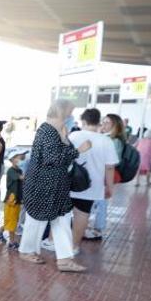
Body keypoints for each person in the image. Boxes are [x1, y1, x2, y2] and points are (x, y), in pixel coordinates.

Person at [18, 99, 91, 272]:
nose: (70, 116)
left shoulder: (56, 130)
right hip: (44, 187)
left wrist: (66, 139)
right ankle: (27, 251)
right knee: (37, 220)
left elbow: (60, 155)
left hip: (55, 187)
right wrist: (78, 150)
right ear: (62, 112)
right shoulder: (49, 131)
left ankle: (65, 259)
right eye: (69, 112)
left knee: (62, 220)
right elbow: (53, 159)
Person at [68, 108, 118, 253]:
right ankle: (74, 247)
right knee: (82, 214)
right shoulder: (106, 140)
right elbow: (110, 167)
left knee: (63, 215)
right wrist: (109, 187)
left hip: (69, 182)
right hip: (91, 185)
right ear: (98, 122)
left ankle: (58, 243)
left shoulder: (74, 135)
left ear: (83, 121)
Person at [85, 113, 126, 241]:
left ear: (115, 125)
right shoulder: (104, 137)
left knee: (100, 202)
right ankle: (93, 228)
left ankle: (97, 229)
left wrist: (109, 185)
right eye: (103, 122)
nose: (104, 124)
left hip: (103, 175)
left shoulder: (115, 141)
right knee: (97, 202)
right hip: (99, 174)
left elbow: (112, 162)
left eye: (107, 122)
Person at [0, 147, 27, 249]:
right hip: (11, 201)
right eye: (19, 157)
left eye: (22, 158)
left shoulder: (18, 170)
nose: (22, 159)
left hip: (16, 200)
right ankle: (12, 242)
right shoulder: (11, 171)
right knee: (12, 222)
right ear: (12, 159)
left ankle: (0, 231)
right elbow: (22, 178)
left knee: (11, 220)